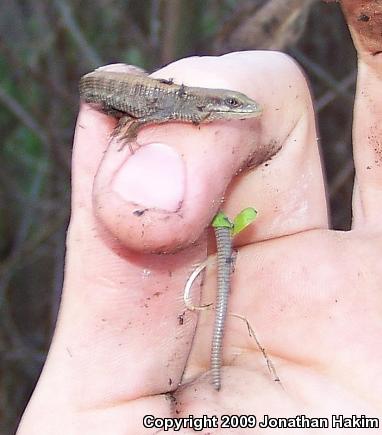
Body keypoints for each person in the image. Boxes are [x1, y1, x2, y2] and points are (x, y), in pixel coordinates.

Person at [17, 6, 382, 434]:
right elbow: (123, 105)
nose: (239, 110)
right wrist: (131, 136)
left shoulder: (189, 108)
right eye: (230, 105)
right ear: (211, 107)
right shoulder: (172, 104)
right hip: (108, 90)